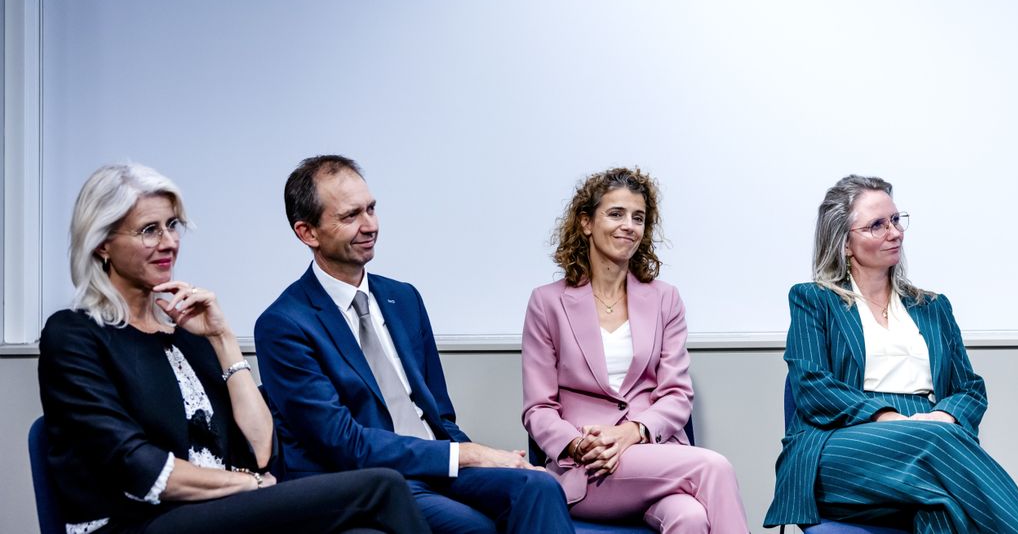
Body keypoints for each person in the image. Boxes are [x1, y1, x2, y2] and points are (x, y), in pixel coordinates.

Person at [39, 163, 428, 534]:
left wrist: (222, 339)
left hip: (215, 513)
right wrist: (250, 485)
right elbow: (139, 467)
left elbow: (261, 448)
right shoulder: (74, 335)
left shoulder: (187, 332)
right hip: (136, 522)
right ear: (103, 244)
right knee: (382, 487)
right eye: (149, 230)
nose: (169, 242)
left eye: (173, 226)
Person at [254, 154, 573, 534]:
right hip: (368, 479)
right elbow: (342, 443)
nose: (369, 225)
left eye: (371, 208)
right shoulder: (283, 325)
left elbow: (439, 414)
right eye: (350, 216)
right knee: (475, 528)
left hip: (436, 461)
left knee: (539, 485)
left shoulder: (403, 298)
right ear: (308, 232)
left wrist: (482, 457)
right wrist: (465, 455)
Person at [763, 174, 1018, 532]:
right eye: (877, 225)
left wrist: (944, 417)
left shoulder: (933, 306)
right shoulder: (814, 299)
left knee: (942, 509)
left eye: (897, 220)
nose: (895, 233)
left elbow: (969, 388)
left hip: (931, 437)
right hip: (841, 445)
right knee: (938, 454)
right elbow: (812, 387)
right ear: (846, 243)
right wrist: (890, 418)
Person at [522, 167, 749, 534]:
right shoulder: (547, 303)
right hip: (590, 466)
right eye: (616, 214)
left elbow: (677, 395)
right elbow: (538, 408)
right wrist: (580, 445)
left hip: (654, 455)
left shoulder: (665, 299)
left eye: (638, 217)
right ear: (585, 223)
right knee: (714, 467)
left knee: (689, 519)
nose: (629, 225)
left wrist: (632, 433)